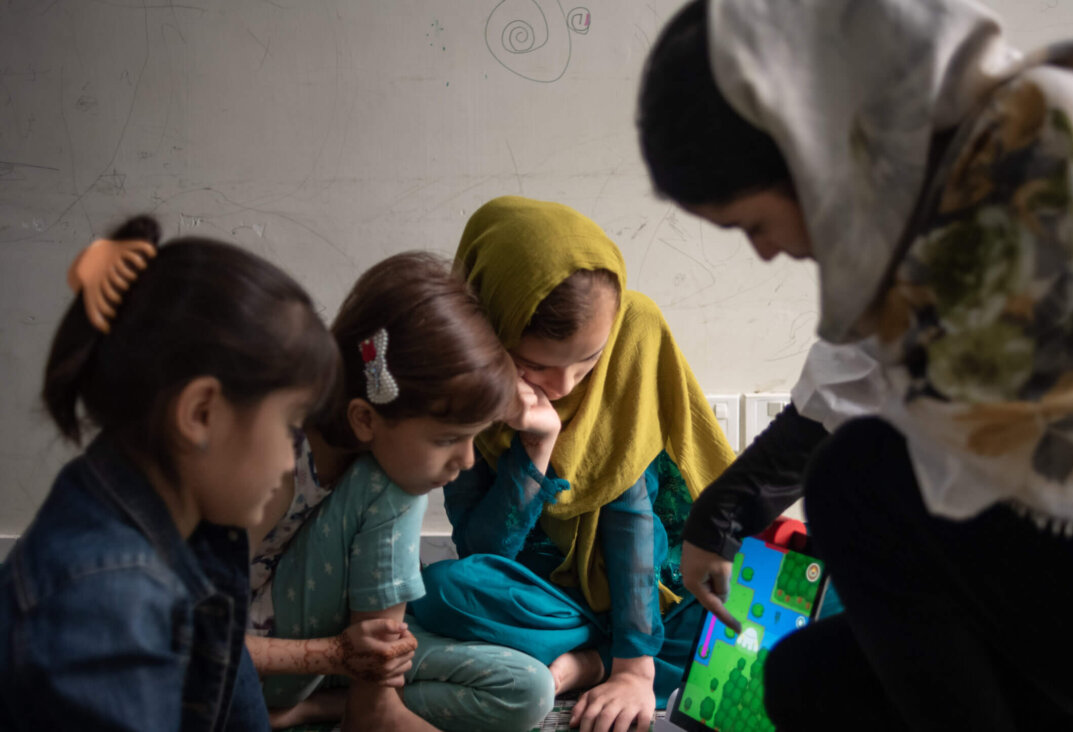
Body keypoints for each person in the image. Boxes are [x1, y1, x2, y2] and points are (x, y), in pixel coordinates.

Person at [638, 1, 1073, 730]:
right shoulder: (972, 161)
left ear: (808, 146)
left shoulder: (1029, 168)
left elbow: (868, 427)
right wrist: (723, 515)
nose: (764, 252)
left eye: (752, 225)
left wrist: (731, 514)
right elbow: (846, 388)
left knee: (857, 483)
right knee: (806, 677)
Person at [409, 195, 735, 732]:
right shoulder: (464, 368)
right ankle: (599, 659)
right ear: (486, 332)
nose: (561, 388)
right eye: (535, 364)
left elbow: (635, 522)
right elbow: (483, 549)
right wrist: (536, 449)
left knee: (749, 612)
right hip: (548, 596)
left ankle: (603, 663)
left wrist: (633, 671)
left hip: (657, 587)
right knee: (450, 590)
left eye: (587, 361)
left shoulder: (633, 334)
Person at [0, 215, 339, 730]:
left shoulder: (188, 532)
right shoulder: (108, 606)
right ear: (201, 414)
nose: (291, 461)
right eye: (290, 426)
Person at [245, 251, 556, 732]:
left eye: (472, 436)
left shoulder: (376, 439)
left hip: (336, 663)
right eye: (448, 438)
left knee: (529, 689)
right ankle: (374, 708)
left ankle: (319, 713)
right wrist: (333, 654)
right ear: (364, 418)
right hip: (258, 669)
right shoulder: (275, 465)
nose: (467, 460)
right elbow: (187, 644)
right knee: (394, 483)